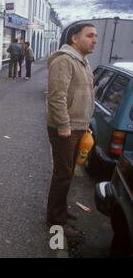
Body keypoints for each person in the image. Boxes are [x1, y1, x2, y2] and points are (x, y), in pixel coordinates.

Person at [46, 23, 97, 237]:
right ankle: (55, 221)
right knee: (63, 174)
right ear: (74, 39)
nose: (94, 40)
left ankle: (61, 210)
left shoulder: (82, 61)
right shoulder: (64, 60)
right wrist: (64, 125)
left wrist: (84, 125)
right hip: (65, 129)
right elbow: (56, 97)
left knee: (67, 173)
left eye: (96, 36)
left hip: (78, 127)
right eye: (90, 35)